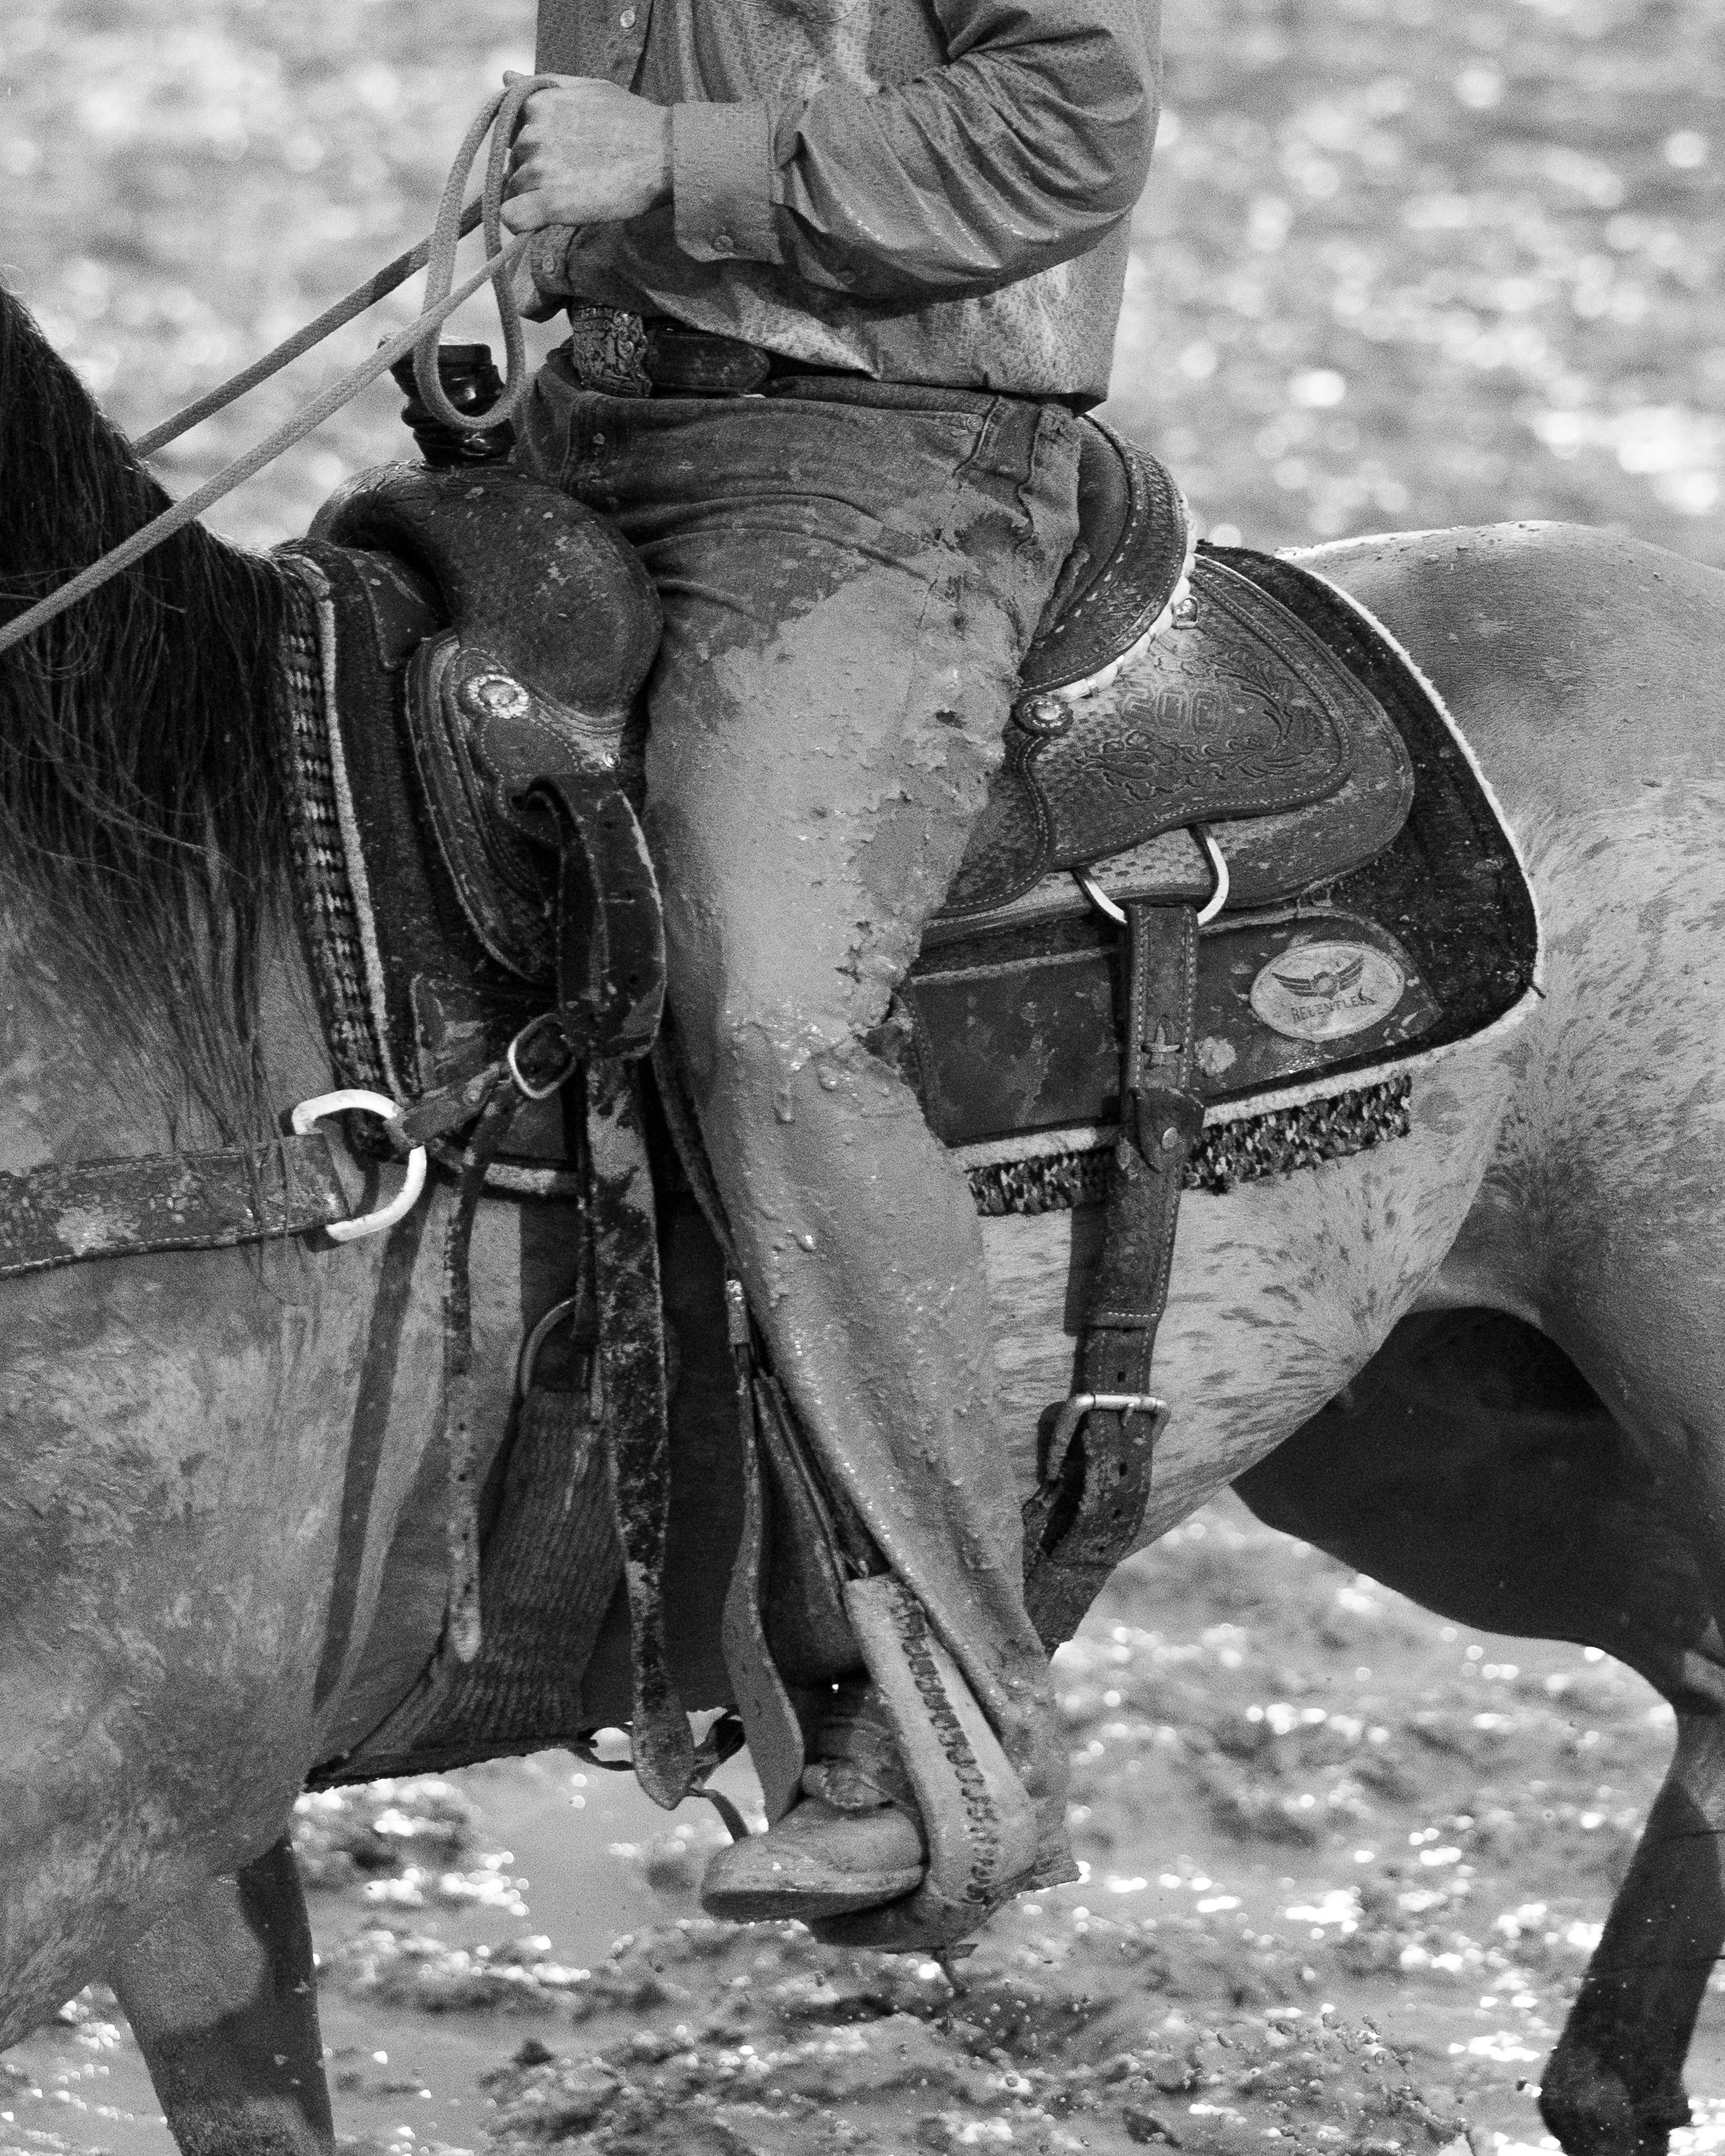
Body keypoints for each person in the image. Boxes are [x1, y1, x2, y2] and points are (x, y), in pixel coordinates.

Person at [500, 0, 1161, 1935]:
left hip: (879, 468)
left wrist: (674, 170)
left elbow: (1070, 125)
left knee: (773, 1012)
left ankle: (950, 1720)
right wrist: (567, 232)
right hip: (601, 419)